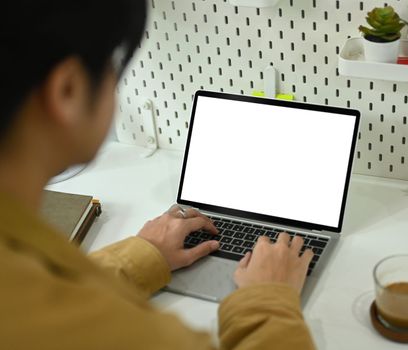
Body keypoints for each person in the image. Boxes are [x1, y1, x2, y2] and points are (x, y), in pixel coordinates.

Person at [0, 1, 316, 349]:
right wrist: (269, 299)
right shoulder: (147, 337)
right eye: (112, 67)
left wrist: (142, 256)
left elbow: (53, 297)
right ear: (68, 90)